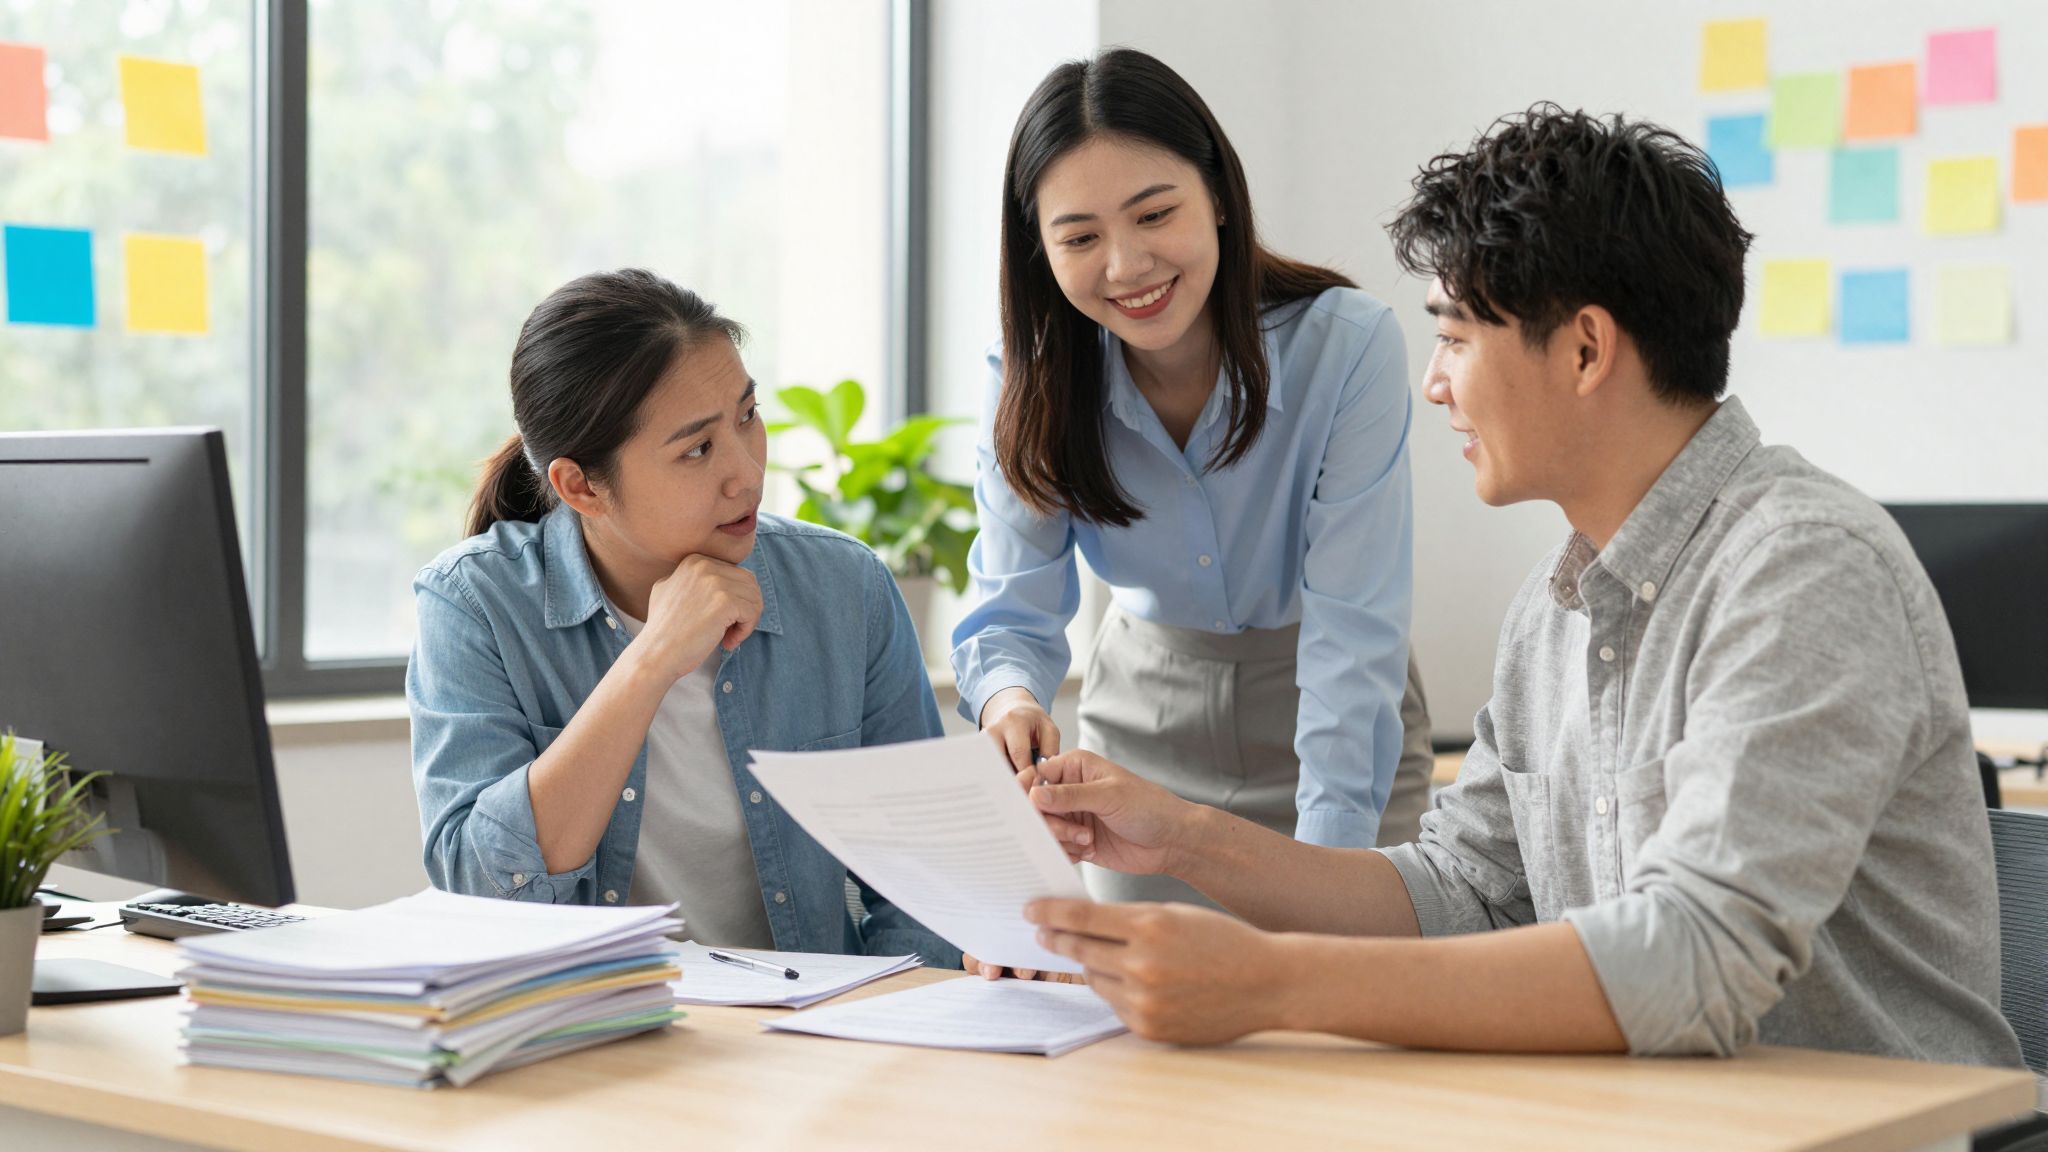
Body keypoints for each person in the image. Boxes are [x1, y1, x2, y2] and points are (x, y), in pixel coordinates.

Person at [1013, 106, 2023, 1067]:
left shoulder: (1801, 569)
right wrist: (1182, 838)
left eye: (1454, 336)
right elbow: (1463, 891)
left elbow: (1696, 956)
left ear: (1584, 349)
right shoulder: (1553, 605)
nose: (1433, 382)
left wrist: (1274, 983)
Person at [952, 47, 1435, 918]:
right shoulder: (1024, 380)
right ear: (1040, 250)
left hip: (1334, 723)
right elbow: (1011, 611)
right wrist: (1011, 699)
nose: (1126, 265)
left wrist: (1325, 882)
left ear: (1216, 194)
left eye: (1154, 214)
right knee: (1152, 1041)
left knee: (1340, 1016)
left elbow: (1353, 639)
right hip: (1143, 733)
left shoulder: (1348, 348)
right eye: (1080, 237)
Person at [409, 268, 958, 966]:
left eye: (747, 417)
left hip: (814, 1040)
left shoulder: (843, 588)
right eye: (697, 449)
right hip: (586, 1033)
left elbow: (925, 883)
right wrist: (650, 661)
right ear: (580, 486)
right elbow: (483, 890)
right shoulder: (474, 606)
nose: (747, 474)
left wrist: (882, 1031)